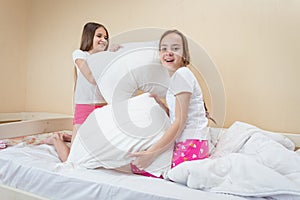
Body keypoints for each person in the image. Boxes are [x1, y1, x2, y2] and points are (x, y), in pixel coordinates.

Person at [130, 30, 210, 177]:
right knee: (136, 165)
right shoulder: (178, 77)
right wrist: (162, 105)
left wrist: (152, 153)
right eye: (164, 48)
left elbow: (180, 121)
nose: (169, 52)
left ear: (184, 54)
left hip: (191, 145)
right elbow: (178, 115)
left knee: (138, 167)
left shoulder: (182, 74)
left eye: (175, 48)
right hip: (194, 143)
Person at [44, 22, 120, 161]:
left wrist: (111, 56)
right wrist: (108, 56)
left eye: (106, 37)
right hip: (85, 106)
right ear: (89, 36)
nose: (104, 40)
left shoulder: (104, 58)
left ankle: (69, 137)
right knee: (72, 159)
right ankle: (56, 139)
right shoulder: (80, 54)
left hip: (103, 106)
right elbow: (91, 77)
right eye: (99, 36)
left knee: (96, 151)